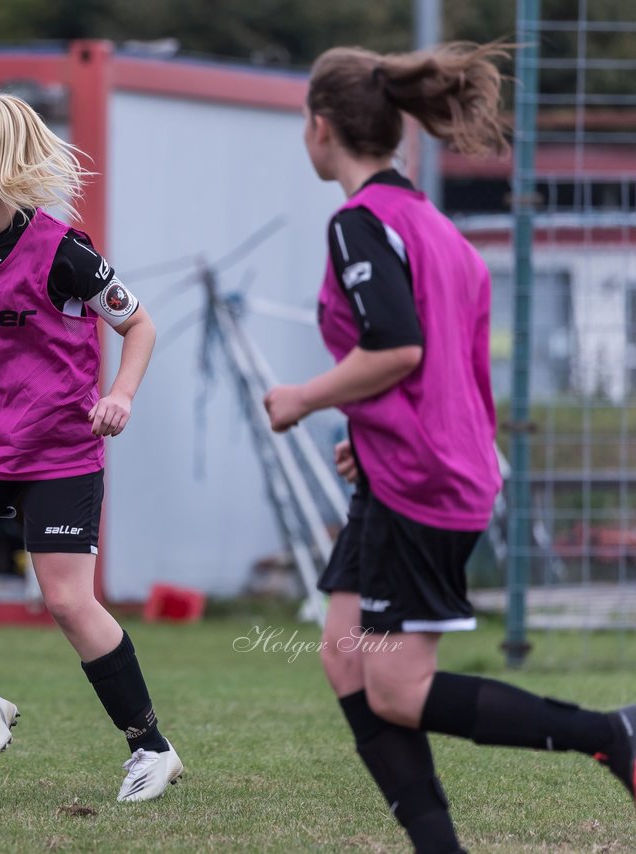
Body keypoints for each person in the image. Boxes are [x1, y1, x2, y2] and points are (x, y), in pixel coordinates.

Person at [263, 41, 635, 852]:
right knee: (343, 656)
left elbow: (399, 348)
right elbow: (455, 369)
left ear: (320, 128)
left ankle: (611, 733)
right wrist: (372, 432)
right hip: (415, 465)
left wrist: (302, 399)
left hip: (422, 482)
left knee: (396, 690)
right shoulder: (434, 226)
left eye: (303, 119)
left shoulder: (362, 226)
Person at [0, 93, 182, 803]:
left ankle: (152, 748)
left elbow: (139, 326)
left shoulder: (63, 251)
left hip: (57, 450)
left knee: (66, 603)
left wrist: (121, 396)